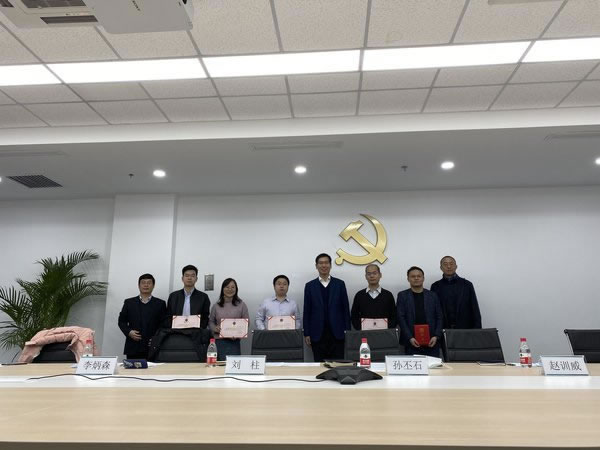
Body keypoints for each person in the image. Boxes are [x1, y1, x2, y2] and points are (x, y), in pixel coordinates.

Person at [303, 253, 351, 362]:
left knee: (338, 365)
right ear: (316, 266)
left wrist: (348, 332)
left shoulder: (340, 284)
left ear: (330, 265)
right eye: (320, 263)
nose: (323, 265)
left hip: (337, 334)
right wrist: (307, 333)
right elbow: (307, 311)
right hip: (317, 334)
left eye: (326, 263)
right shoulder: (310, 286)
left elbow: (345, 309)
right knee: (319, 366)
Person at [397, 266, 443, 357]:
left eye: (419, 276)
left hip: (432, 341)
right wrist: (409, 337)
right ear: (408, 279)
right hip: (410, 342)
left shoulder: (433, 295)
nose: (416, 278)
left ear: (423, 278)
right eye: (413, 276)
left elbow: (439, 316)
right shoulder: (402, 295)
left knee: (434, 366)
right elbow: (401, 318)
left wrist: (436, 336)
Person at [118, 273, 166, 359]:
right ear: (139, 285)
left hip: (153, 346)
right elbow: (122, 321)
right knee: (133, 368)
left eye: (149, 283)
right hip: (133, 346)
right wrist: (129, 332)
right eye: (143, 283)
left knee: (153, 368)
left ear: (153, 286)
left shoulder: (160, 303)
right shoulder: (129, 303)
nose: (146, 285)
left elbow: (163, 324)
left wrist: (156, 338)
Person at [430, 256, 482, 330]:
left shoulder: (467, 285)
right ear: (441, 268)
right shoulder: (435, 286)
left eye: (451, 264)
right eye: (445, 264)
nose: (449, 266)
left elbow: (475, 308)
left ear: (456, 266)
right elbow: (433, 311)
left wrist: (477, 330)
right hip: (443, 329)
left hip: (465, 329)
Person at [208, 278, 249, 360]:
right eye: (227, 287)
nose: (230, 289)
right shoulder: (216, 306)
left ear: (236, 289)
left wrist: (238, 334)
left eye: (233, 287)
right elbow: (211, 322)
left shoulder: (241, 305)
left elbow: (246, 323)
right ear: (222, 289)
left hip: (234, 341)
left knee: (234, 364)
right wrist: (215, 328)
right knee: (219, 366)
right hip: (219, 341)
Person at [350, 264, 397, 330]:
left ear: (380, 275)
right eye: (369, 274)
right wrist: (360, 328)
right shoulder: (359, 295)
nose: (372, 276)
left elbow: (394, 316)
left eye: (374, 273)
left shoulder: (388, 295)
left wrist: (387, 329)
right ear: (365, 276)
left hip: (385, 333)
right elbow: (354, 315)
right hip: (364, 333)